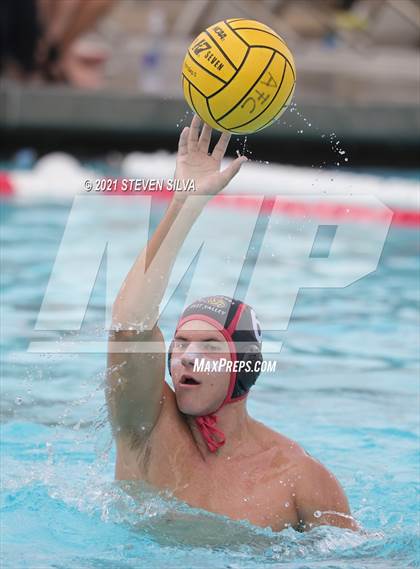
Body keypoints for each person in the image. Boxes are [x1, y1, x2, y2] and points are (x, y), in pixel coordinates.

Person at [106, 115, 358, 532]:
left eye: (209, 346)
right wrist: (185, 204)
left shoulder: (299, 478)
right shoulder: (147, 427)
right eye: (182, 343)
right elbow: (129, 328)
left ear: (244, 367)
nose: (187, 357)